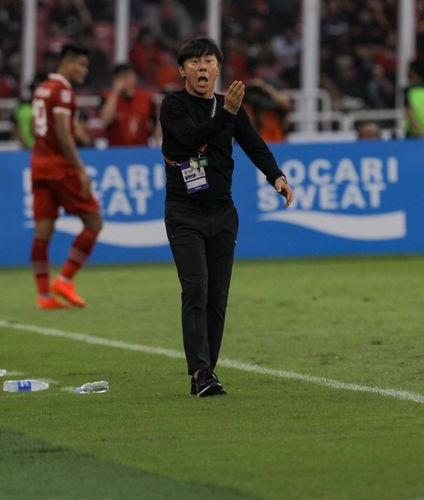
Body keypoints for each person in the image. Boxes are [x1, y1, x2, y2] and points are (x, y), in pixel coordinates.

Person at [160, 38, 294, 398]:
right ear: (182, 70)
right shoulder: (173, 105)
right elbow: (190, 138)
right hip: (184, 213)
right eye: (194, 62)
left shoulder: (228, 107)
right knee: (196, 288)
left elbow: (253, 144)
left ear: (218, 68)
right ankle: (200, 371)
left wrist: (276, 176)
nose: (202, 67)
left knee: (217, 296)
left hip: (223, 214)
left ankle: (208, 372)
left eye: (209, 61)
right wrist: (227, 115)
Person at [29, 44, 102, 310]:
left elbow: (34, 127)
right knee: (94, 222)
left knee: (43, 232)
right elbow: (62, 133)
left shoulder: (42, 88)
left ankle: (44, 296)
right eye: (81, 65)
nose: (84, 70)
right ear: (68, 62)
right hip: (60, 167)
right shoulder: (63, 92)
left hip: (38, 165)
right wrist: (80, 168)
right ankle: (64, 280)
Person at [98, 63, 158, 146]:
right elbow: (105, 120)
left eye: (128, 76)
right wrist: (115, 93)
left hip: (141, 150)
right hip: (116, 151)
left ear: (135, 77)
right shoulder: (107, 97)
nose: (125, 80)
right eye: (120, 77)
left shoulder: (146, 98)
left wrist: (157, 146)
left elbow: (155, 124)